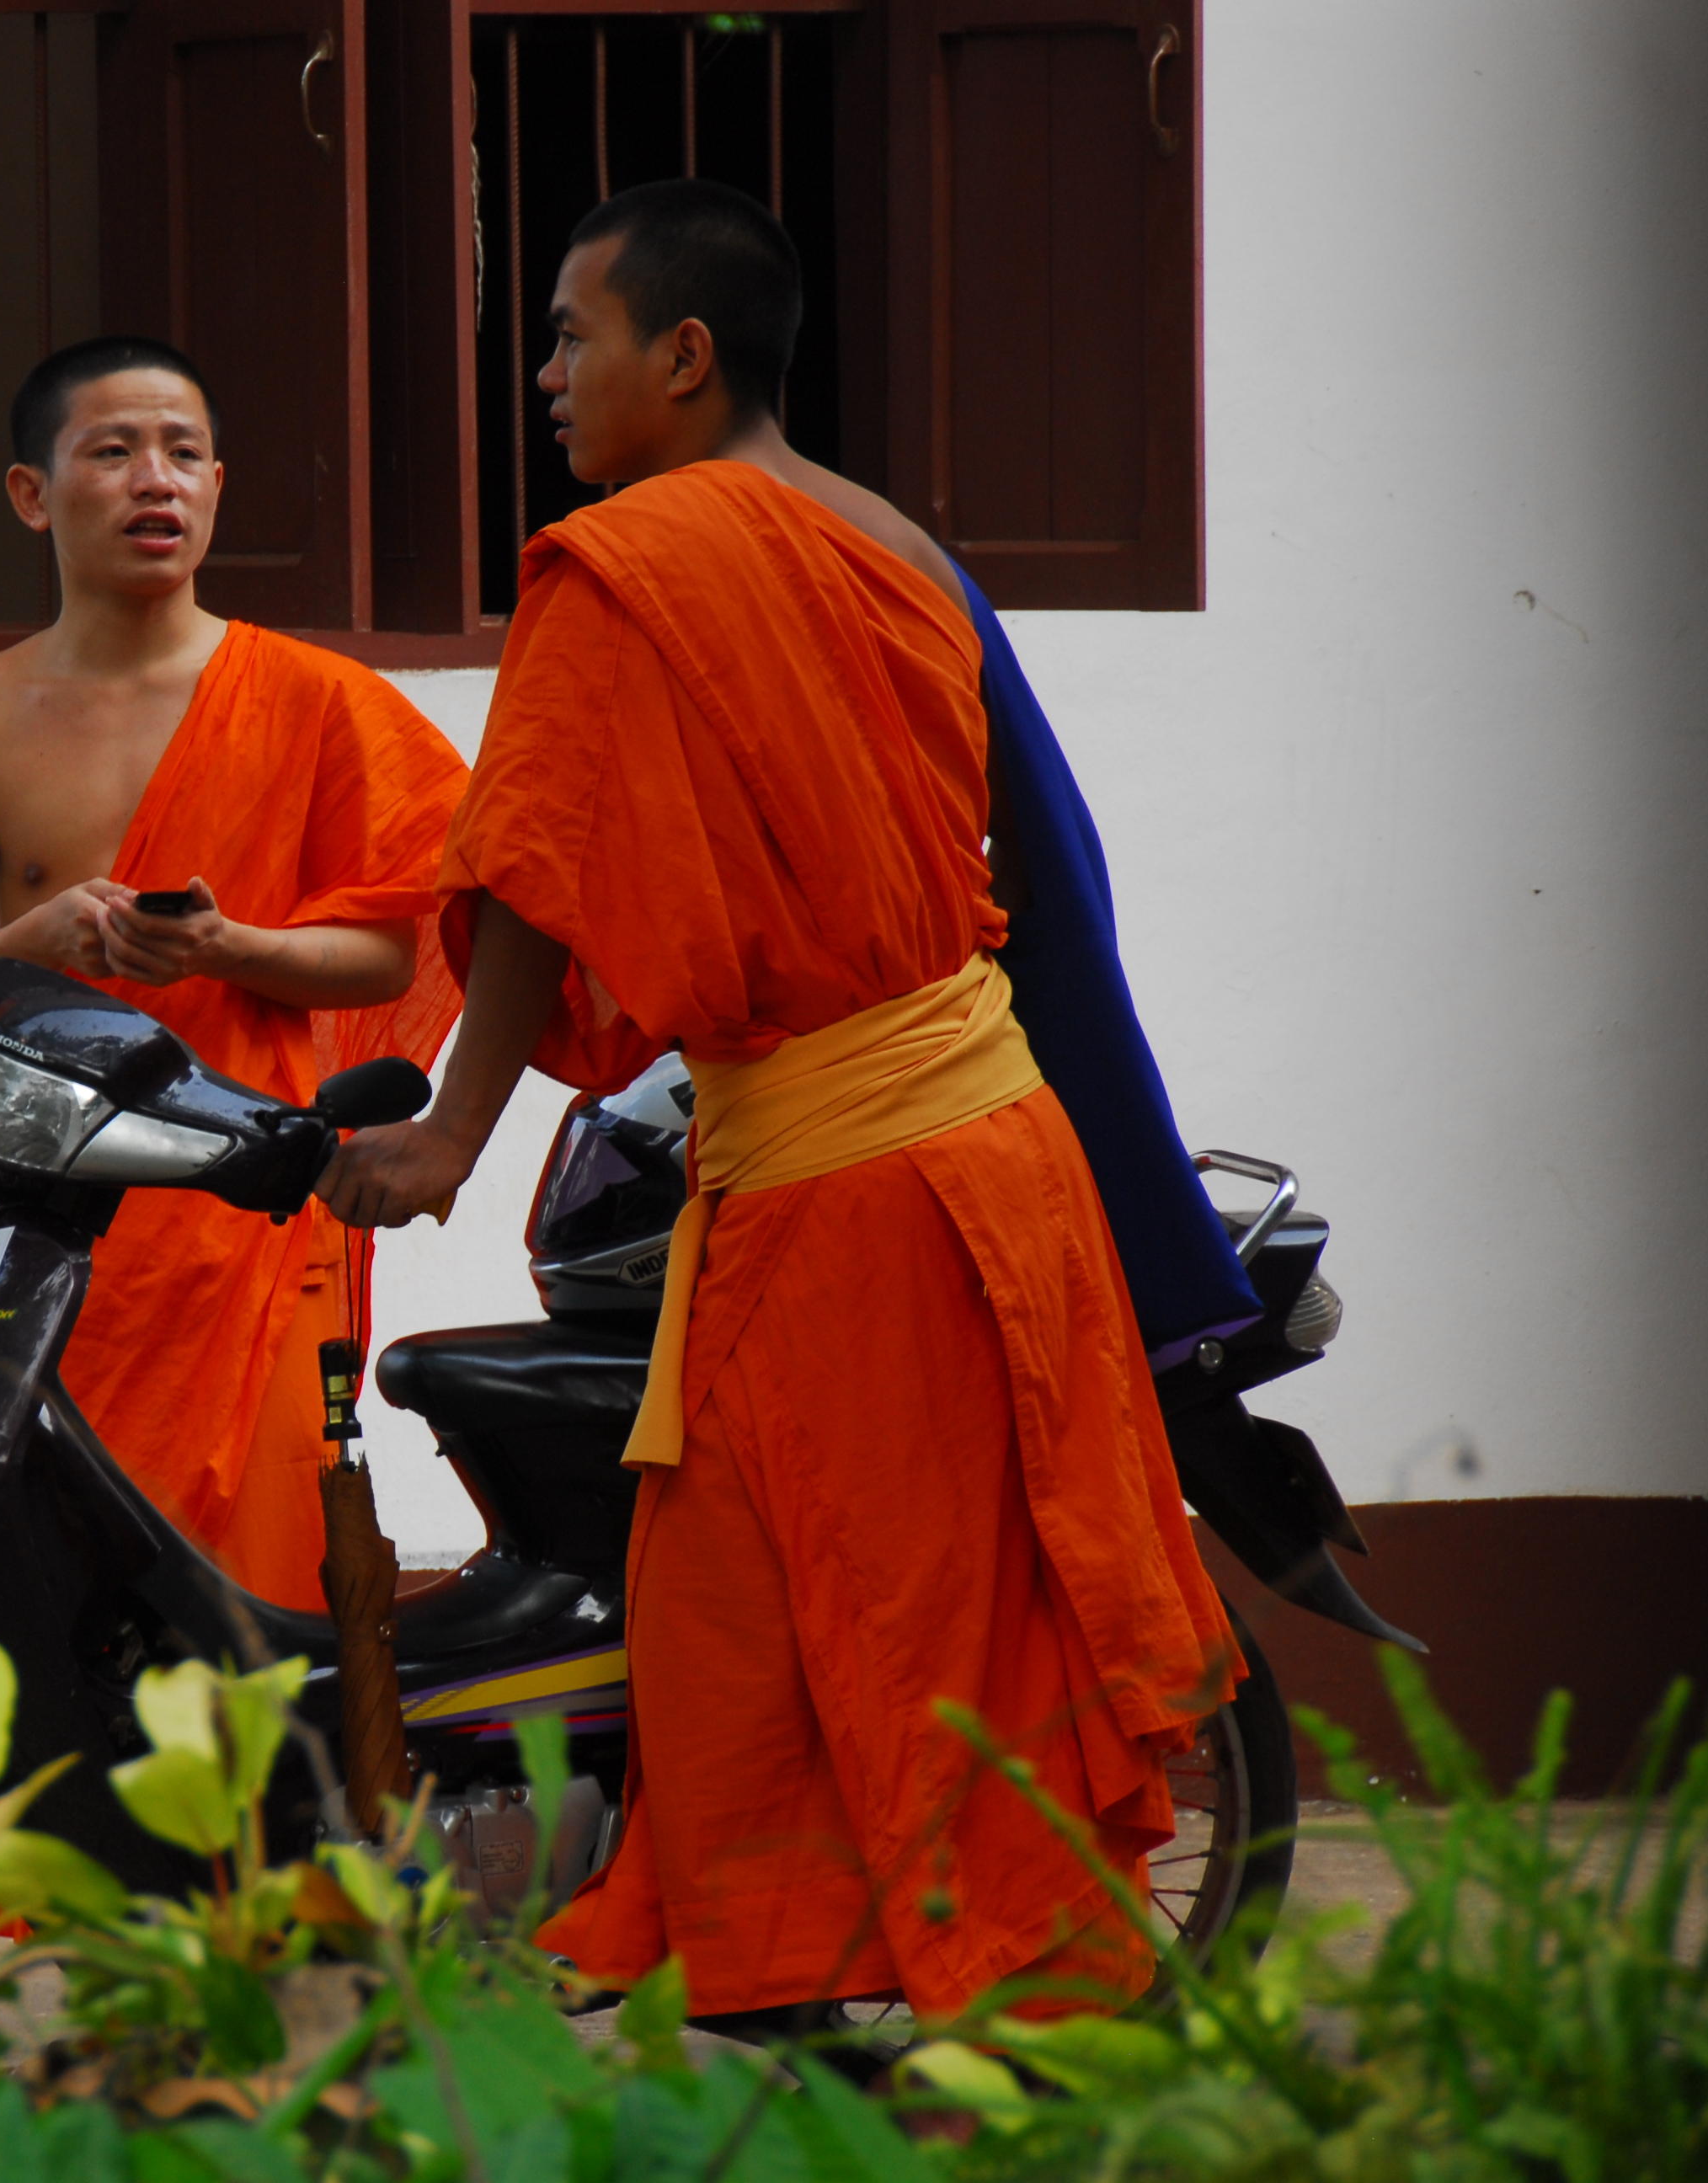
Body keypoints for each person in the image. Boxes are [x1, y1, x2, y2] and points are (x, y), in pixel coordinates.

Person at [318, 182, 1235, 2028]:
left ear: (684, 352)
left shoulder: (634, 559)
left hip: (864, 1202)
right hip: (969, 1158)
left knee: (914, 1632)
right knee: (750, 1614)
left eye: (571, 336)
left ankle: (1034, 2032)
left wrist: (445, 1139)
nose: (550, 378)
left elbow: (534, 878)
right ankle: (782, 1995)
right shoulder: (895, 543)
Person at [0, 336, 468, 1612]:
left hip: (250, 1220)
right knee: (45, 1598)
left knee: (249, 1603)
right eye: (115, 450)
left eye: (184, 453)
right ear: (34, 494)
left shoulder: (314, 702)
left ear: (216, 485)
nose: (158, 479)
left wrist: (227, 948)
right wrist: (29, 947)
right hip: (53, 1231)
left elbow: (393, 949)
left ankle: (264, 1823)